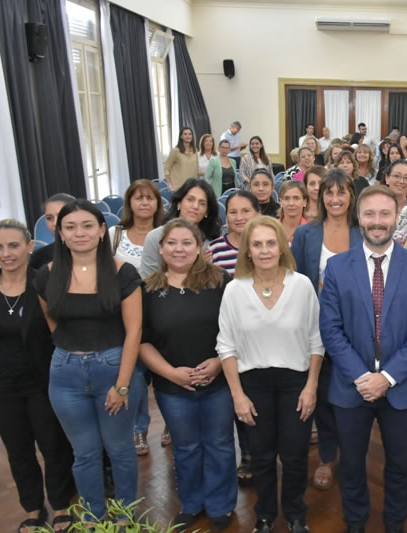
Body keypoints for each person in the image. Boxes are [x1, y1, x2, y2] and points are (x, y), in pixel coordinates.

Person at [319, 185, 407, 533]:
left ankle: (394, 525)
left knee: (400, 465)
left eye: (384, 213)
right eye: (369, 214)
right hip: (349, 386)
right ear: (359, 216)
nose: (377, 221)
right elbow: (331, 330)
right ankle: (355, 523)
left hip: (401, 388)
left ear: (397, 215)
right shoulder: (337, 268)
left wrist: (385, 378)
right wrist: (362, 376)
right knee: (352, 464)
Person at [35, 200, 145, 524]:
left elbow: (134, 330)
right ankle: (93, 517)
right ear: (60, 233)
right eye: (70, 227)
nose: (78, 232)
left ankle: (125, 516)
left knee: (120, 449)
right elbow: (52, 324)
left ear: (101, 231)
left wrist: (122, 385)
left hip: (114, 367)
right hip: (65, 373)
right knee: (83, 454)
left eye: (87, 226)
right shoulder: (47, 275)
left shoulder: (122, 271)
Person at [219, 216, 324, 533]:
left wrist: (312, 387)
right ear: (247, 251)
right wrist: (238, 396)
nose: (264, 250)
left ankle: (295, 515)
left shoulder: (302, 285)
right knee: (261, 459)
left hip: (296, 381)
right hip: (253, 384)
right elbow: (226, 347)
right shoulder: (234, 291)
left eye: (270, 243)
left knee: (294, 457)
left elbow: (316, 341)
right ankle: (264, 517)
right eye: (257, 244)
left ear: (282, 247)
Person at [138, 219, 235, 532]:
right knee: (186, 448)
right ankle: (192, 503)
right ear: (161, 248)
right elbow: (142, 341)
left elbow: (237, 330)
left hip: (219, 381)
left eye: (186, 243)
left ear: (199, 248)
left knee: (219, 444)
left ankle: (221, 506)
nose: (179, 249)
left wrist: (219, 361)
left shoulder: (222, 282)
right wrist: (171, 373)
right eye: (172, 243)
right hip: (172, 386)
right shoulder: (148, 289)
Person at [0, 220, 76, 533]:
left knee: (54, 446)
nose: (5, 253)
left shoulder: (45, 283)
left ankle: (62, 503)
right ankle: (32, 507)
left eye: (13, 245)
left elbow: (62, 332)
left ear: (29, 247)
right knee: (18, 450)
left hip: (43, 381)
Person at [292, 169, 363, 492]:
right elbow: (294, 281)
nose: (335, 199)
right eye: (328, 193)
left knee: (351, 394)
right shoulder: (307, 234)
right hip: (315, 329)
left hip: (357, 330)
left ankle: (353, 454)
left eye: (341, 192)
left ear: (351, 196)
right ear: (320, 197)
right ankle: (326, 455)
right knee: (321, 395)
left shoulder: (363, 232)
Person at [106, 180, 163, 454]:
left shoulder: (165, 233)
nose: (144, 203)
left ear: (157, 203)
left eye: (149, 198)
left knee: (164, 371)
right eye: (138, 198)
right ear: (129, 202)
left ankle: (171, 424)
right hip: (124, 313)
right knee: (136, 375)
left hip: (159, 310)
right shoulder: (114, 234)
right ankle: (139, 429)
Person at [140, 178, 222, 278]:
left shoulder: (213, 241)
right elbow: (148, 282)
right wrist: (195, 267)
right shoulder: (155, 237)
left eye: (202, 203)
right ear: (179, 203)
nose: (195, 206)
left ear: (206, 212)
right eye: (190, 200)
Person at [209, 190, 261, 275]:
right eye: (233, 212)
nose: (239, 218)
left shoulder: (271, 245)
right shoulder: (215, 249)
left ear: (258, 213)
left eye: (246, 211)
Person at [30, 193, 76, 269]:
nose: (55, 223)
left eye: (61, 215)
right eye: (49, 218)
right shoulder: (39, 257)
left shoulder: (97, 251)